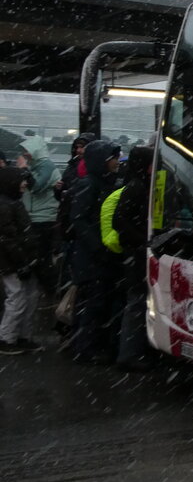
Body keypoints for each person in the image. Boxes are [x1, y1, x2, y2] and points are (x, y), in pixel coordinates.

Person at [67, 139, 122, 363]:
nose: (117, 162)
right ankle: (85, 349)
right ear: (102, 161)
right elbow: (78, 220)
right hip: (91, 257)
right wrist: (98, 247)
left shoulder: (102, 182)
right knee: (92, 303)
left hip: (94, 256)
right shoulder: (90, 184)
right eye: (113, 158)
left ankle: (86, 346)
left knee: (95, 302)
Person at [112, 145, 155, 371]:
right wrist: (143, 240)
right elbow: (120, 222)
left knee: (137, 302)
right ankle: (129, 354)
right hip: (137, 255)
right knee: (137, 303)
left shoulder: (135, 184)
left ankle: (132, 352)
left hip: (136, 253)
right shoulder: (137, 187)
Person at [17, 135, 62, 306]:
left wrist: (24, 170)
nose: (24, 154)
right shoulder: (36, 166)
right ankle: (46, 290)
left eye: (27, 150)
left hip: (44, 218)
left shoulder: (46, 166)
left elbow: (36, 187)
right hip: (35, 217)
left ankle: (50, 291)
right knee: (38, 257)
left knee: (41, 257)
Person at [0, 167, 38, 354]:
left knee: (21, 297)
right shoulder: (9, 204)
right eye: (21, 180)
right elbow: (9, 239)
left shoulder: (10, 202)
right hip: (13, 261)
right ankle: (9, 338)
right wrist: (22, 261)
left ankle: (15, 337)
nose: (25, 184)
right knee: (18, 298)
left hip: (14, 260)